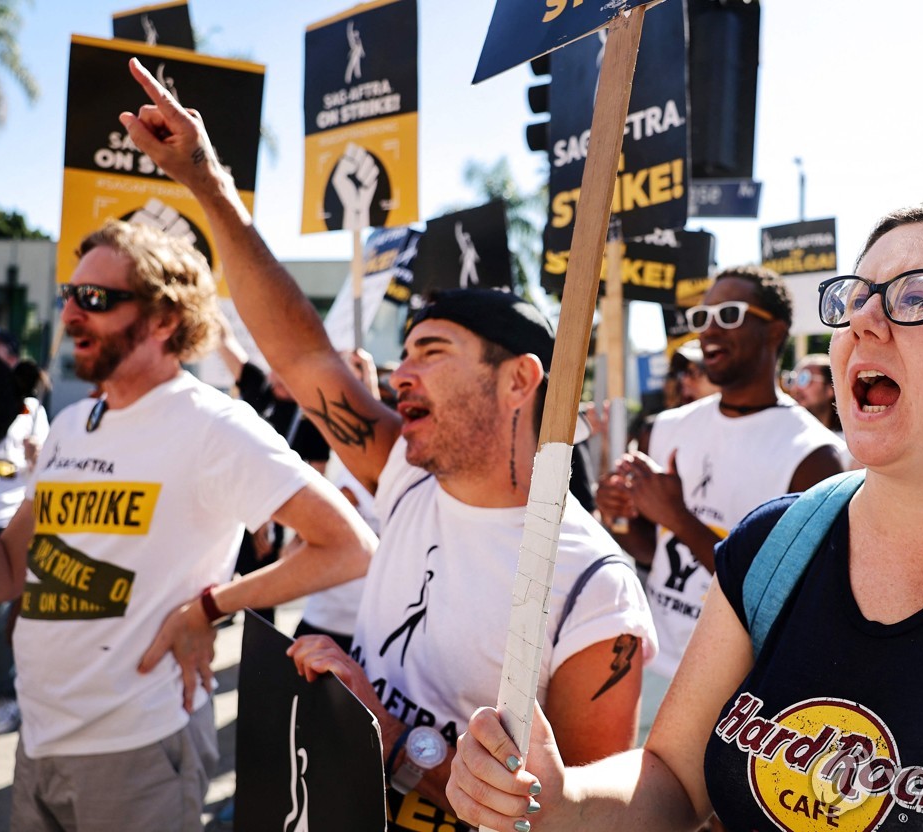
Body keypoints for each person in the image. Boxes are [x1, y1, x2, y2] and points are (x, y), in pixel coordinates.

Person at [447, 197, 923, 831]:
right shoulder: (773, 546)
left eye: (917, 296)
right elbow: (671, 778)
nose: (863, 321)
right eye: (856, 296)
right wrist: (555, 794)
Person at [118, 58, 656, 832]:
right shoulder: (405, 475)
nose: (399, 374)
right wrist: (207, 184)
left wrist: (394, 740)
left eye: (431, 351)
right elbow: (304, 358)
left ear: (520, 381)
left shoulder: (591, 590)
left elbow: (573, 818)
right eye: (404, 353)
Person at [0, 219, 375, 831]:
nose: (73, 314)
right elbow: (4, 574)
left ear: (163, 319)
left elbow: (348, 545)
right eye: (70, 296)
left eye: (96, 299)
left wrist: (211, 607)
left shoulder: (211, 425)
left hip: (137, 748)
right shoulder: (70, 423)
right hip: (40, 739)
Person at [596, 266, 844, 737]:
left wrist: (679, 517)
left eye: (728, 314)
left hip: (736, 695)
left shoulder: (813, 456)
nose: (708, 327)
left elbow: (784, 604)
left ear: (774, 331)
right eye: (703, 315)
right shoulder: (666, 426)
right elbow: (652, 552)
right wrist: (618, 515)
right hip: (651, 660)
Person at [215, 314, 332, 623]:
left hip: (269, 521)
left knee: (261, 604)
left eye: (288, 370)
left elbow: (316, 480)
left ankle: (257, 666)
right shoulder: (257, 386)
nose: (278, 376)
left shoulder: (311, 419)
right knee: (212, 590)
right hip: (226, 510)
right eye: (275, 367)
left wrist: (277, 523)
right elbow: (224, 339)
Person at [0, 323, 49, 734]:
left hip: (6, 520)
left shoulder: (32, 412)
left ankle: (6, 695)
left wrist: (47, 465)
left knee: (2, 621)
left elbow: (1, 581)